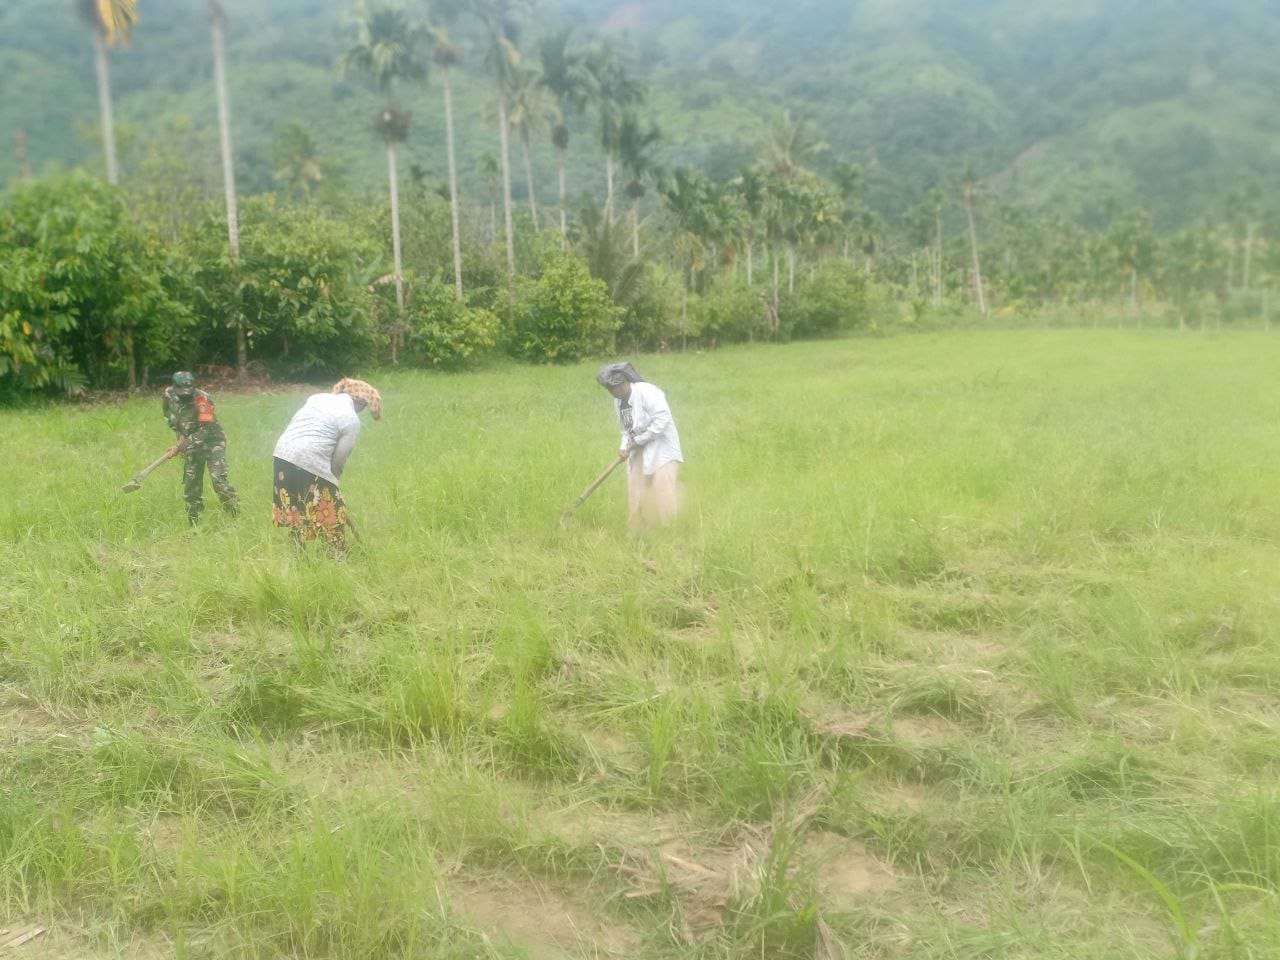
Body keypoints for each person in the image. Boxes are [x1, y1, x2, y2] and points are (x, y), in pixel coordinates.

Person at [271, 377, 381, 553]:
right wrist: (333, 482)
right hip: (309, 457)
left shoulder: (317, 398)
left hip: (282, 455)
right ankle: (336, 558)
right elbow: (338, 460)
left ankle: (298, 557)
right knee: (333, 514)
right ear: (360, 402)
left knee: (296, 509)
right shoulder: (351, 419)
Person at [596, 361, 683, 531]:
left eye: (619, 385)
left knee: (662, 485)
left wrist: (640, 440)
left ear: (627, 380)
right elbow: (625, 430)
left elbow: (662, 419)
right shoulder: (619, 401)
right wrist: (624, 447)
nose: (616, 390)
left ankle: (670, 529)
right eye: (612, 388)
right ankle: (638, 529)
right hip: (637, 447)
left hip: (662, 446)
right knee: (636, 486)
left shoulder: (647, 392)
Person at [162, 370, 239, 524]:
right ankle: (195, 526)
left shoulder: (202, 399)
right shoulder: (168, 396)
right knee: (191, 487)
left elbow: (206, 430)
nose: (185, 395)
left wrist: (181, 446)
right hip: (190, 444)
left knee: (219, 481)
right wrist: (180, 441)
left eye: (188, 392)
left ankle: (234, 516)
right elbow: (174, 421)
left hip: (213, 443)